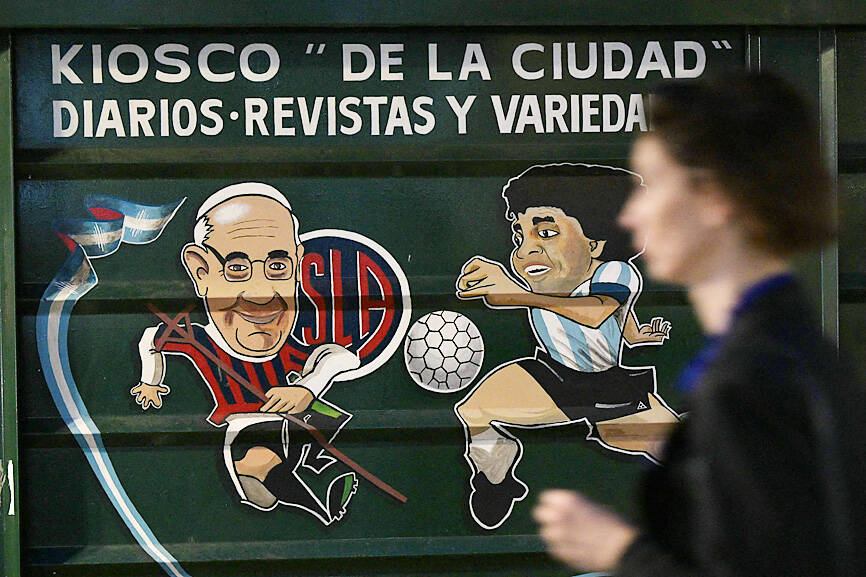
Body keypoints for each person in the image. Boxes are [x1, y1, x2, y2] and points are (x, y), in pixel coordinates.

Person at [533, 71, 866, 576]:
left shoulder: (747, 384)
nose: (630, 217)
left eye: (649, 186)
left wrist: (617, 550)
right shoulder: (804, 355)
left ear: (713, 197)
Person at [454, 163, 679, 530]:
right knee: (475, 410)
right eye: (519, 236)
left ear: (596, 243)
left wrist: (516, 295)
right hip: (551, 375)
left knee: (675, 449)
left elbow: (598, 312)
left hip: (607, 387)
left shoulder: (615, 272)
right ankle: (496, 474)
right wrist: (636, 335)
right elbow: (618, 316)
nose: (525, 251)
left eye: (546, 233)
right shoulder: (543, 283)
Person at [130, 182, 360, 525]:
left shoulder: (290, 352)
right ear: (201, 272)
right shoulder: (200, 342)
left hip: (289, 430)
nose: (261, 294)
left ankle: (315, 483)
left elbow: (343, 358)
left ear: (298, 266)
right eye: (237, 269)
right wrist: (150, 381)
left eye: (278, 267)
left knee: (278, 456)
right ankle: (318, 498)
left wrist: (307, 388)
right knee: (256, 467)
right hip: (243, 427)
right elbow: (152, 338)